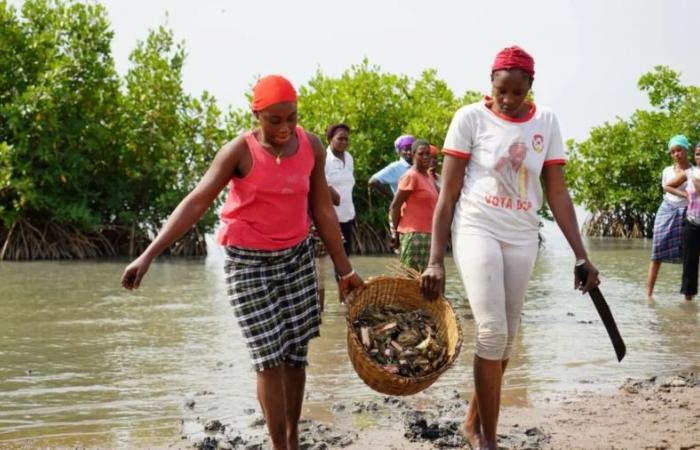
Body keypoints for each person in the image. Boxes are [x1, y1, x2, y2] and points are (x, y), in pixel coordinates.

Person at [120, 75, 364, 450]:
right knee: (268, 357)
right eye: (274, 120)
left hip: (296, 256)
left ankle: (292, 438)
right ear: (257, 115)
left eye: (291, 118)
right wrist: (148, 254)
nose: (284, 129)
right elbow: (196, 202)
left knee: (296, 355)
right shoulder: (239, 151)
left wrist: (344, 268)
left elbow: (321, 210)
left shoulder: (312, 145)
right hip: (246, 262)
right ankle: (279, 444)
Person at [419, 46, 600, 450]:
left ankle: (471, 422)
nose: (508, 100)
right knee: (491, 331)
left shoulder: (547, 121)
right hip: (477, 228)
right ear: (491, 84)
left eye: (517, 93)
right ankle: (488, 439)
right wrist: (435, 261)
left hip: (522, 236)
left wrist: (581, 254)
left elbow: (557, 192)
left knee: (508, 337)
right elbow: (447, 195)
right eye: (502, 91)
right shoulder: (470, 118)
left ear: (530, 87)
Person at [646, 135, 690, 300]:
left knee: (689, 257)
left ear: (686, 150)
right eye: (673, 152)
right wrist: (684, 193)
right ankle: (648, 296)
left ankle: (688, 298)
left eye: (679, 150)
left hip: (687, 212)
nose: (677, 154)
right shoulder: (667, 171)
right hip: (666, 210)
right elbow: (666, 187)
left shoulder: (694, 170)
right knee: (656, 254)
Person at [389, 139, 439, 273]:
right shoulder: (411, 176)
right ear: (412, 155)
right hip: (413, 235)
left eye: (428, 154)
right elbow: (395, 206)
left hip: (429, 235)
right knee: (410, 279)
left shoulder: (428, 177)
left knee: (425, 282)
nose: (425, 157)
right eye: (421, 154)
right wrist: (395, 234)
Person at [664, 139, 699, 301]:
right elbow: (667, 186)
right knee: (689, 266)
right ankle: (688, 306)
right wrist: (683, 194)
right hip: (692, 223)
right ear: (695, 156)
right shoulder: (689, 173)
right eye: (698, 154)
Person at [324, 123, 355, 256]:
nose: (344, 142)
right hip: (330, 217)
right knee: (332, 256)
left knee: (345, 255)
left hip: (348, 215)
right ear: (330, 139)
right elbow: (322, 186)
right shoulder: (324, 159)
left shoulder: (348, 157)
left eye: (346, 139)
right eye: (340, 139)